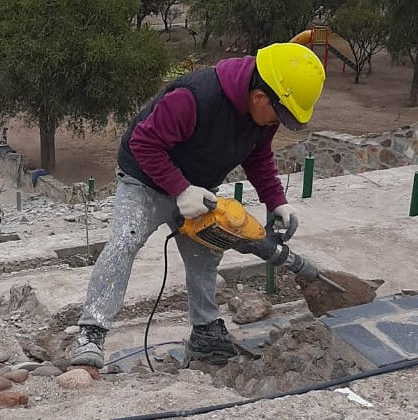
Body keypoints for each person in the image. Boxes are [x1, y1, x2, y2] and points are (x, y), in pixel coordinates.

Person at [70, 43, 326, 368]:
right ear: (260, 97)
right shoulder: (194, 98)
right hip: (145, 177)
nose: (279, 123)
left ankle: (205, 331)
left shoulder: (263, 113)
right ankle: (92, 331)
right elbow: (143, 144)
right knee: (125, 241)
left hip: (199, 186)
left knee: (204, 257)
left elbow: (258, 154)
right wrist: (179, 189)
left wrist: (277, 201)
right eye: (280, 115)